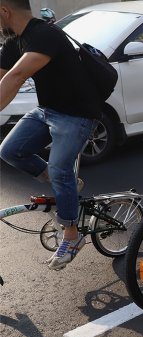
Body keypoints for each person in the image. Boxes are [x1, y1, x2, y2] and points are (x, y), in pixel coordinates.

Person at [0, 0, 99, 270]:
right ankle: (65, 185)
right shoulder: (13, 42)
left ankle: (71, 235)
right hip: (48, 111)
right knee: (10, 151)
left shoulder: (45, 35)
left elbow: (17, 76)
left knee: (59, 169)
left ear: (4, 10)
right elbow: (2, 77)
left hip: (78, 115)